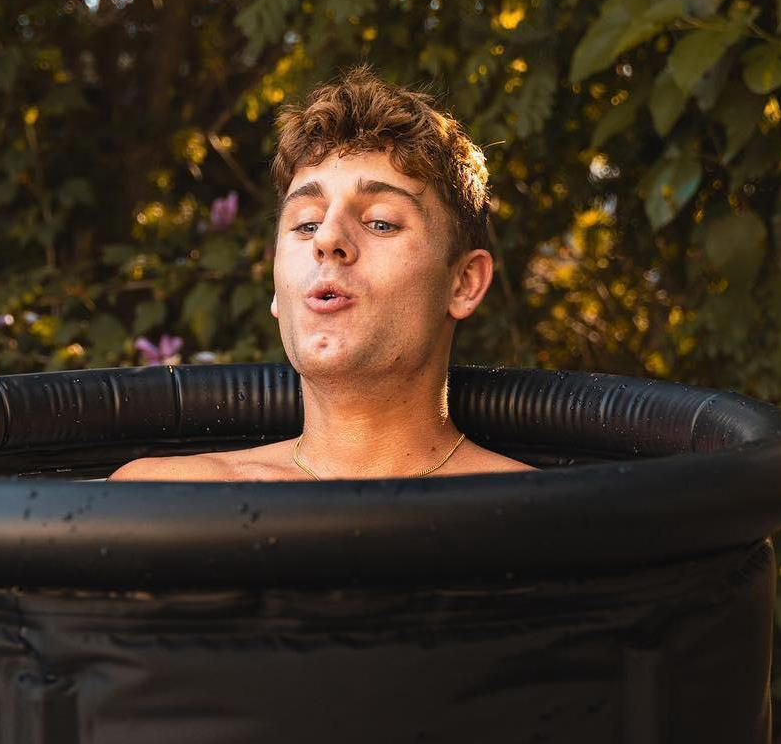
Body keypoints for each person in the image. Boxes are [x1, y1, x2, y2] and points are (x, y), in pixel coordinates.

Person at [109, 67, 533, 481]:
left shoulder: (541, 511)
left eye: (381, 222)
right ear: (277, 288)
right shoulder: (157, 497)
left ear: (464, 283)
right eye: (306, 224)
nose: (327, 238)